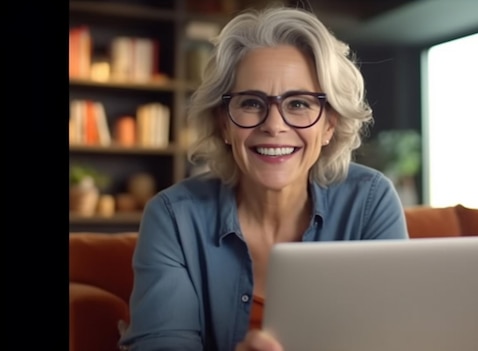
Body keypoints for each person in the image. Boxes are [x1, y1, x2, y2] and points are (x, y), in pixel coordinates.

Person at [118, 5, 409, 351]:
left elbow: (394, 338)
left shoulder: (371, 202)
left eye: (299, 104)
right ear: (224, 122)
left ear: (329, 125)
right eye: (252, 103)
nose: (274, 125)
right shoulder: (173, 218)